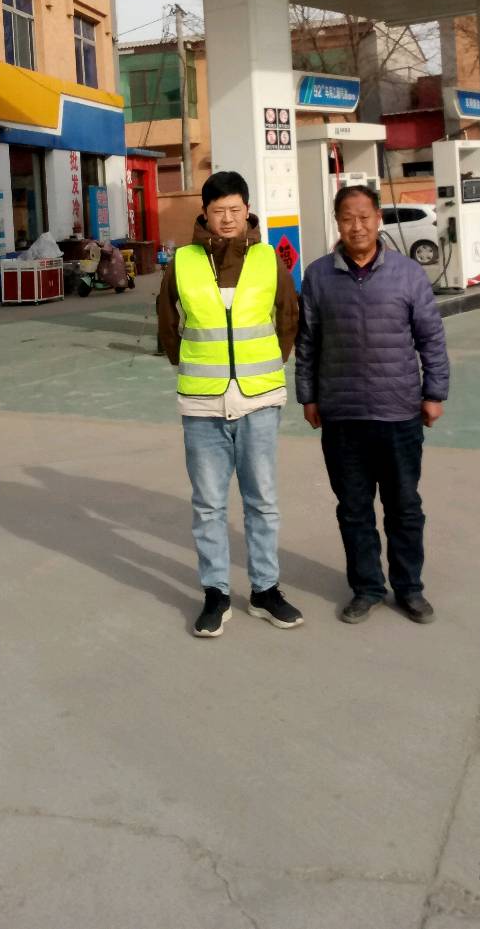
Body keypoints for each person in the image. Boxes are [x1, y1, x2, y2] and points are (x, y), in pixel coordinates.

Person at [157, 171, 304, 638]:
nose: (227, 219)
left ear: (247, 211)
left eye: (235, 210)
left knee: (262, 501)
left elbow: (288, 316)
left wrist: (267, 365)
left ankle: (265, 590)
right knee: (208, 504)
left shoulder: (267, 259)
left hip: (259, 399)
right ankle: (216, 594)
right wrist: (189, 363)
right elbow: (167, 320)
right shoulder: (181, 262)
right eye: (218, 211)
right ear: (204, 213)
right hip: (202, 402)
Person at [296, 183, 450, 625]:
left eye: (364, 217)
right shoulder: (318, 276)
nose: (357, 226)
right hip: (342, 415)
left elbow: (431, 339)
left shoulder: (407, 274)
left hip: (398, 412)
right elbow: (307, 343)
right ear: (337, 222)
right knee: (353, 508)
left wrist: (434, 393)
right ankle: (366, 587)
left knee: (404, 507)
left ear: (378, 219)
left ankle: (409, 588)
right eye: (348, 218)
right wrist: (308, 396)